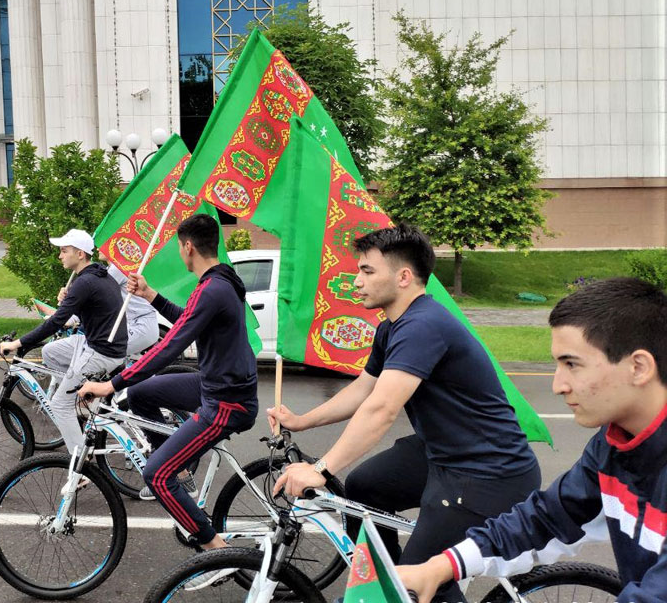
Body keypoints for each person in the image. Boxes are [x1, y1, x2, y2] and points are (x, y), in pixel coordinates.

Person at [268, 223, 540, 603]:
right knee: (365, 487)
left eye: (367, 271)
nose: (356, 281)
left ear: (404, 276)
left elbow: (381, 409)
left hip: (486, 472)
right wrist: (301, 419)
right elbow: (364, 390)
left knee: (415, 585)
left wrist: (320, 469)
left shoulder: (423, 325)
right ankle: (387, 576)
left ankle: (407, 589)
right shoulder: (392, 327)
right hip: (440, 454)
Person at [398, 277, 667, 603]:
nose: (558, 385)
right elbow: (547, 516)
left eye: (572, 364)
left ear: (638, 367)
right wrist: (440, 566)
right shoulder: (612, 442)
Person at [78, 213, 259, 553]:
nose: (180, 252)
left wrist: (111, 384)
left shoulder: (214, 288)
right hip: (213, 384)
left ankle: (216, 551)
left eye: (179, 247)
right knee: (142, 394)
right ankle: (180, 465)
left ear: (188, 247)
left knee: (156, 475)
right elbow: (188, 322)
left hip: (226, 402)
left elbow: (169, 346)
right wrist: (150, 295)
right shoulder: (221, 280)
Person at [0, 229, 127, 456]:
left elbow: (56, 322)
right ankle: (80, 398)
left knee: (59, 405)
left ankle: (80, 466)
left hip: (101, 352)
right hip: (92, 343)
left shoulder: (85, 282)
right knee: (50, 352)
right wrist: (69, 300)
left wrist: (18, 343)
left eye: (64, 250)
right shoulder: (97, 276)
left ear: (80, 254)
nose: (60, 255)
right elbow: (76, 315)